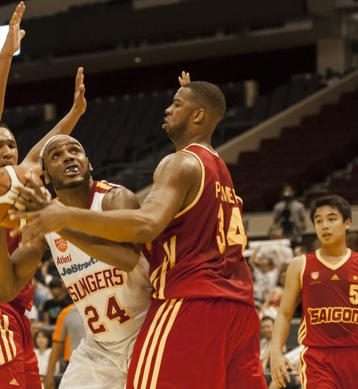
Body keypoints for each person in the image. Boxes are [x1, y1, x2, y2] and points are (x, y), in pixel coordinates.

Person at [14, 80, 266, 388]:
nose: (167, 108)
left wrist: (63, 216)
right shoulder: (218, 169)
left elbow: (147, 224)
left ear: (198, 117)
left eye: (176, 104)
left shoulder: (178, 163)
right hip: (239, 306)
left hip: (191, 300)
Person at [0, 1, 86, 389]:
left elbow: (41, 152)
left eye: (13, 146)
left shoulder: (18, 179)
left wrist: (75, 113)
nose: (8, 150)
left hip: (14, 310)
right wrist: (6, 56)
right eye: (0, 146)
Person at [0, 134, 152, 388]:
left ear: (89, 163)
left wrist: (62, 223)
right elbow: (3, 290)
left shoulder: (114, 198)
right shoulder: (45, 223)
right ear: (46, 176)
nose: (67, 157)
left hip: (146, 336)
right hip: (100, 348)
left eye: (75, 151)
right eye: (56, 156)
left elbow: (128, 259)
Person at [270, 195, 358, 388]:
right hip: (318, 358)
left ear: (347, 223)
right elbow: (285, 314)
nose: (324, 225)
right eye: (319, 221)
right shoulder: (300, 264)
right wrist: (275, 351)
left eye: (332, 219)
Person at [45, 304, 85, 389]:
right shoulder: (66, 313)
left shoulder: (105, 306)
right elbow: (57, 345)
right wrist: (49, 374)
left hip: (103, 364)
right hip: (73, 365)